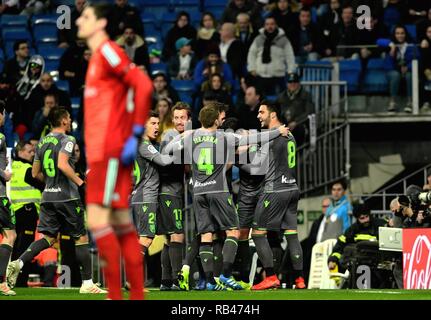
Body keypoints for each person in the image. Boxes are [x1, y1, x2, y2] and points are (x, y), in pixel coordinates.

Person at [165, 103, 288, 291]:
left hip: (198, 192)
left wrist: (184, 136)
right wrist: (278, 131)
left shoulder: (192, 136)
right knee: (233, 231)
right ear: (216, 120)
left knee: (205, 235)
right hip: (218, 190)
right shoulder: (224, 137)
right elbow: (257, 138)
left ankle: (210, 282)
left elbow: (168, 149)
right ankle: (224, 275)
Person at [76, 3, 153, 300]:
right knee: (120, 224)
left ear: (102, 22)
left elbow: (143, 84)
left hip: (109, 151)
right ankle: (133, 296)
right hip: (105, 151)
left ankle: (116, 296)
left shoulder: (107, 51)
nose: (78, 20)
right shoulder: (97, 57)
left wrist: (135, 132)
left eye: (85, 16)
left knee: (97, 221)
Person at [6, 107, 105, 294]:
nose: (70, 120)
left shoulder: (42, 142)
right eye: (68, 118)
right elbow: (61, 163)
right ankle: (87, 283)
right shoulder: (68, 140)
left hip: (47, 197)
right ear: (63, 121)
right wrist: (80, 182)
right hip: (67, 196)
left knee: (48, 238)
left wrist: (51, 183)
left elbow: (35, 173)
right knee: (81, 238)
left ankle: (19, 262)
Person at [248, 101, 305, 290]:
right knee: (292, 234)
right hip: (292, 189)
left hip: (274, 190)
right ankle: (299, 279)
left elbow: (256, 168)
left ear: (273, 115)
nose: (258, 116)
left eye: (261, 112)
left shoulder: (269, 137)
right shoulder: (290, 135)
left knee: (257, 233)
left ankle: (271, 276)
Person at [130, 111, 175, 286]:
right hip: (145, 197)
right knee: (146, 238)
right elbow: (163, 161)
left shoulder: (140, 145)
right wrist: (179, 149)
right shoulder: (144, 144)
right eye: (153, 123)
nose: (157, 127)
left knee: (143, 238)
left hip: (140, 197)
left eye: (158, 123)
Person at [158, 102, 191, 290]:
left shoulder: (180, 136)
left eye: (182, 118)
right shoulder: (171, 135)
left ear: (188, 119)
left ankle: (165, 281)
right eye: (176, 118)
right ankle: (178, 279)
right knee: (177, 235)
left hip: (170, 191)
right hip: (170, 191)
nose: (179, 121)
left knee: (170, 239)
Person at [9, 140, 44, 287]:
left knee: (15, 245)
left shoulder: (13, 167)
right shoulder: (27, 169)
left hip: (15, 211)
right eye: (30, 151)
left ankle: (11, 278)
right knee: (26, 247)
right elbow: (43, 184)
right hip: (27, 211)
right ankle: (21, 280)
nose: (33, 154)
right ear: (20, 152)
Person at [327, 204, 387, 288]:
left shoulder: (381, 225)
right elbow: (340, 245)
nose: (366, 220)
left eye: (367, 216)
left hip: (379, 265)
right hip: (357, 265)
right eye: (362, 218)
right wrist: (333, 259)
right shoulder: (352, 230)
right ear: (357, 219)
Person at [247, 16, 296, 96]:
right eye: (267, 24)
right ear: (264, 26)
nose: (270, 26)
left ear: (276, 25)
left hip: (278, 76)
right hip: (261, 76)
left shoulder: (284, 40)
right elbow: (251, 54)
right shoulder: (258, 39)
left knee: (279, 102)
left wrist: (291, 70)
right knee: (261, 103)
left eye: (272, 24)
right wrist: (252, 68)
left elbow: (290, 56)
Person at [0, 103, 16, 296]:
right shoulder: (1, 137)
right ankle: (1, 283)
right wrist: (4, 174)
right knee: (10, 235)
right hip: (0, 195)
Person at [384, 25, 416, 113]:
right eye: (397, 33)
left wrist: (408, 67)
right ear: (394, 35)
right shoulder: (390, 44)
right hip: (392, 71)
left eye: (402, 33)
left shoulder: (411, 45)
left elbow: (418, 59)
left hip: (406, 71)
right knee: (395, 75)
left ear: (406, 34)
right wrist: (391, 45)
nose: (400, 35)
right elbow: (378, 41)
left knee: (410, 75)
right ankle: (392, 102)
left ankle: (410, 102)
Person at [277, 72, 314, 146]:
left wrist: (296, 122)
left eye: (295, 81)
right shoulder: (281, 96)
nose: (292, 84)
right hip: (284, 125)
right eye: (290, 82)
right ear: (287, 84)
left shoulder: (306, 95)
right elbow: (276, 111)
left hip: (300, 126)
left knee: (297, 131)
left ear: (299, 83)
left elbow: (309, 112)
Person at [316, 179, 352, 243]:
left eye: (339, 189)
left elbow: (348, 230)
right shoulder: (330, 207)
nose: (336, 192)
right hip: (324, 245)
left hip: (337, 246)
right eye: (334, 189)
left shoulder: (347, 207)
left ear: (344, 191)